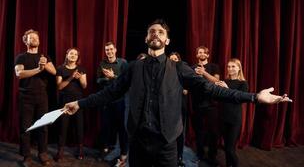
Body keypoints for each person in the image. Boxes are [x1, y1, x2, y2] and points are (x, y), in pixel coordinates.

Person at [62, 19, 291, 167]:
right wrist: (79, 104)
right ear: (146, 38)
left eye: (160, 32)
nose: (155, 34)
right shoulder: (133, 67)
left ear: (167, 40)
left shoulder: (179, 68)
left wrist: (254, 97)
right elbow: (109, 93)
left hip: (167, 144)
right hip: (139, 142)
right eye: (151, 31)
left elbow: (212, 89)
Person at [14, 29, 56, 166]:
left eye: (36, 37)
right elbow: (19, 74)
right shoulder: (21, 57)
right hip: (25, 96)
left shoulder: (45, 57)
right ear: (26, 41)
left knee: (43, 126)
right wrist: (38, 69)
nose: (35, 39)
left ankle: (42, 153)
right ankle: (26, 156)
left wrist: (44, 65)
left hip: (42, 96)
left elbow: (54, 72)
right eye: (31, 38)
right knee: (26, 127)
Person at [96, 42, 128, 163]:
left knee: (121, 127)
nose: (109, 52)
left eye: (110, 49)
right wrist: (106, 78)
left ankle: (124, 152)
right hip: (105, 100)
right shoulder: (102, 63)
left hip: (119, 100)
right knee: (105, 126)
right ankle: (104, 148)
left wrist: (113, 76)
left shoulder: (123, 63)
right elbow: (98, 80)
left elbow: (126, 80)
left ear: (115, 50)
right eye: (106, 50)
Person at [54, 48, 87, 162]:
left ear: (78, 57)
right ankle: (60, 150)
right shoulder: (60, 69)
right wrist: (72, 77)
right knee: (63, 126)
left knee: (79, 126)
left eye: (75, 54)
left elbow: (84, 86)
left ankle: (80, 149)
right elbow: (59, 86)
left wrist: (80, 79)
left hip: (78, 101)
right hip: (64, 100)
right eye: (71, 53)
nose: (73, 55)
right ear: (67, 55)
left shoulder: (81, 69)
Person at [215, 58, 248, 167]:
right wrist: (216, 89)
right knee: (227, 148)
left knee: (230, 149)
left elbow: (239, 99)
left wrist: (226, 88)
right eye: (229, 66)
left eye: (233, 66)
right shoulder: (225, 81)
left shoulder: (243, 84)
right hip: (223, 118)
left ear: (239, 68)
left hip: (234, 120)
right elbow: (219, 98)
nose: (230, 68)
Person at [191, 46, 221, 166]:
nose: (202, 54)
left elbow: (216, 81)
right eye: (199, 52)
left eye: (204, 52)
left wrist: (203, 72)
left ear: (207, 55)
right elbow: (190, 82)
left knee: (213, 132)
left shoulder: (214, 67)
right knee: (199, 132)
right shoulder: (192, 67)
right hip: (197, 104)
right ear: (197, 55)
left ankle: (212, 157)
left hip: (211, 105)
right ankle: (200, 155)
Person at [169, 52, 188, 167]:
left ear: (179, 60)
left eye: (175, 59)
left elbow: (187, 88)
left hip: (180, 105)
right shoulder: (164, 71)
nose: (173, 61)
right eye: (171, 59)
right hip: (168, 106)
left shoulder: (183, 72)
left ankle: (179, 156)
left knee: (180, 132)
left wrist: (184, 88)